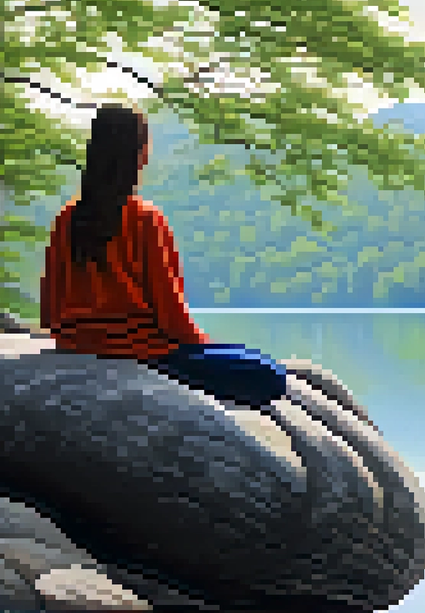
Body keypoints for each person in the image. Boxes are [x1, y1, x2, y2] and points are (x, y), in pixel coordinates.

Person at [40, 103, 288, 408]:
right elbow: (173, 321)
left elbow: (49, 314)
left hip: (78, 346)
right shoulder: (146, 220)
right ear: (138, 154)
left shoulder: (66, 219)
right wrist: (204, 346)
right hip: (147, 353)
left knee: (246, 359)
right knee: (269, 373)